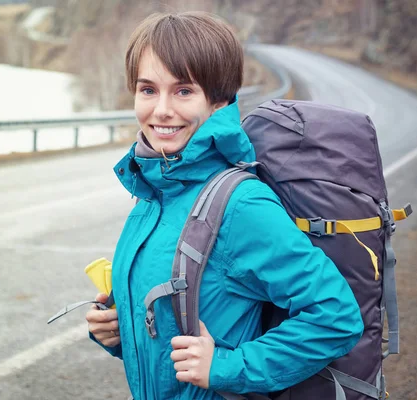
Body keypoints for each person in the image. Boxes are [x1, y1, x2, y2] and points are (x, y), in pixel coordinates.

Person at [85, 11, 364, 400]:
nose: (161, 110)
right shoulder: (153, 193)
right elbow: (171, 333)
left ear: (219, 101)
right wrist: (117, 333)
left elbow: (336, 318)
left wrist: (225, 368)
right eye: (148, 90)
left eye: (183, 91)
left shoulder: (241, 205)